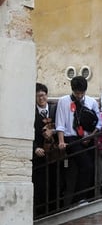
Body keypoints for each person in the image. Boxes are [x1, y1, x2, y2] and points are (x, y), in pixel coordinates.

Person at [55, 76, 102, 206]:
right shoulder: (63, 102)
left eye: (82, 93)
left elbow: (98, 122)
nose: (80, 96)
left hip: (88, 138)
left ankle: (88, 197)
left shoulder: (91, 102)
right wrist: (61, 141)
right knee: (86, 165)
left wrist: (91, 136)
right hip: (71, 138)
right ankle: (78, 199)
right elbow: (60, 123)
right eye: (77, 93)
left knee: (90, 168)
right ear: (73, 90)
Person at [33, 83, 60, 215]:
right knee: (40, 184)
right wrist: (35, 148)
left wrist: (53, 132)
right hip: (40, 152)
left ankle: (55, 210)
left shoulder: (55, 109)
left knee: (56, 181)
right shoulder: (31, 112)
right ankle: (41, 212)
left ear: (47, 95)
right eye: (37, 96)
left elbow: (62, 126)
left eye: (42, 95)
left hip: (55, 152)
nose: (40, 98)